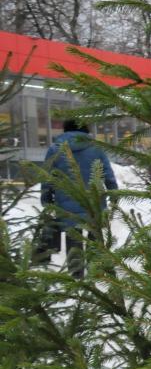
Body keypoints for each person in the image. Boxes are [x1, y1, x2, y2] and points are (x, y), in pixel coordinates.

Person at [33, 117, 118, 277]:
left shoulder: (55, 148)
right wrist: (114, 193)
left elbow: (47, 177)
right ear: (85, 130)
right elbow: (108, 173)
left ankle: (77, 278)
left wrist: (46, 199)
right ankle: (97, 274)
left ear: (65, 130)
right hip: (94, 203)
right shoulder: (96, 148)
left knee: (74, 240)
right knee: (95, 238)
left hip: (66, 204)